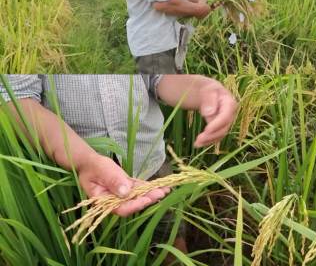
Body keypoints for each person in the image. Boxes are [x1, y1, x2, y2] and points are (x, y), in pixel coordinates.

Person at [0, 75, 238, 255]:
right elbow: (15, 97)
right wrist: (83, 160)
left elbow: (157, 75)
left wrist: (202, 88)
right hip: (71, 179)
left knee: (170, 245)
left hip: (152, 167)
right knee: (88, 252)